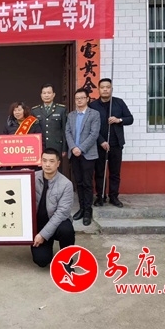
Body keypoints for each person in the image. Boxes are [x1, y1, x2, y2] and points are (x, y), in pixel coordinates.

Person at [89, 78, 134, 208]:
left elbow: (130, 119)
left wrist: (119, 120)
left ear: (111, 89)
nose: (105, 89)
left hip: (116, 144)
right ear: (98, 89)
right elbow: (90, 127)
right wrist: (101, 141)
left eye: (108, 87)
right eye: (102, 87)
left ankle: (114, 196)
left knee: (115, 172)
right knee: (100, 172)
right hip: (99, 144)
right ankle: (100, 196)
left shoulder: (119, 103)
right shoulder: (93, 106)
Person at [31, 148, 75, 268]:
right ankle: (46, 247)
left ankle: (67, 260)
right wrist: (21, 176)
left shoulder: (66, 184)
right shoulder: (32, 177)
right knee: (42, 261)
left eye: (51, 161)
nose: (47, 164)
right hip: (38, 225)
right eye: (44, 160)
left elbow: (62, 213)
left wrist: (43, 235)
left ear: (58, 163)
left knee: (66, 229)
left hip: (56, 224)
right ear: (41, 161)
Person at [65, 88, 101, 226]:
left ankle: (87, 211)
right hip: (74, 154)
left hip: (88, 154)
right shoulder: (71, 115)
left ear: (87, 99)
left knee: (87, 183)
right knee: (78, 183)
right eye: (77, 98)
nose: (79, 100)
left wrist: (80, 148)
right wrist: (73, 147)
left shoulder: (94, 114)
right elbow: (67, 132)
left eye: (82, 98)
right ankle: (81, 208)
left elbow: (94, 134)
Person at [31, 84, 67, 158]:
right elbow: (32, 131)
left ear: (53, 94)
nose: (46, 95)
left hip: (56, 146)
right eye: (44, 93)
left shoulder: (61, 109)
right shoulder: (35, 111)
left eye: (49, 93)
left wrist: (64, 148)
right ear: (41, 95)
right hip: (40, 146)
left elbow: (65, 130)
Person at [3, 101, 42, 169]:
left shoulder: (33, 124)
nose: (17, 112)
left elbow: (41, 142)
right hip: (13, 163)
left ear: (24, 110)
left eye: (19, 110)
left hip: (30, 161)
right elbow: (3, 144)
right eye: (15, 110)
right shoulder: (9, 125)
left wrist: (40, 157)